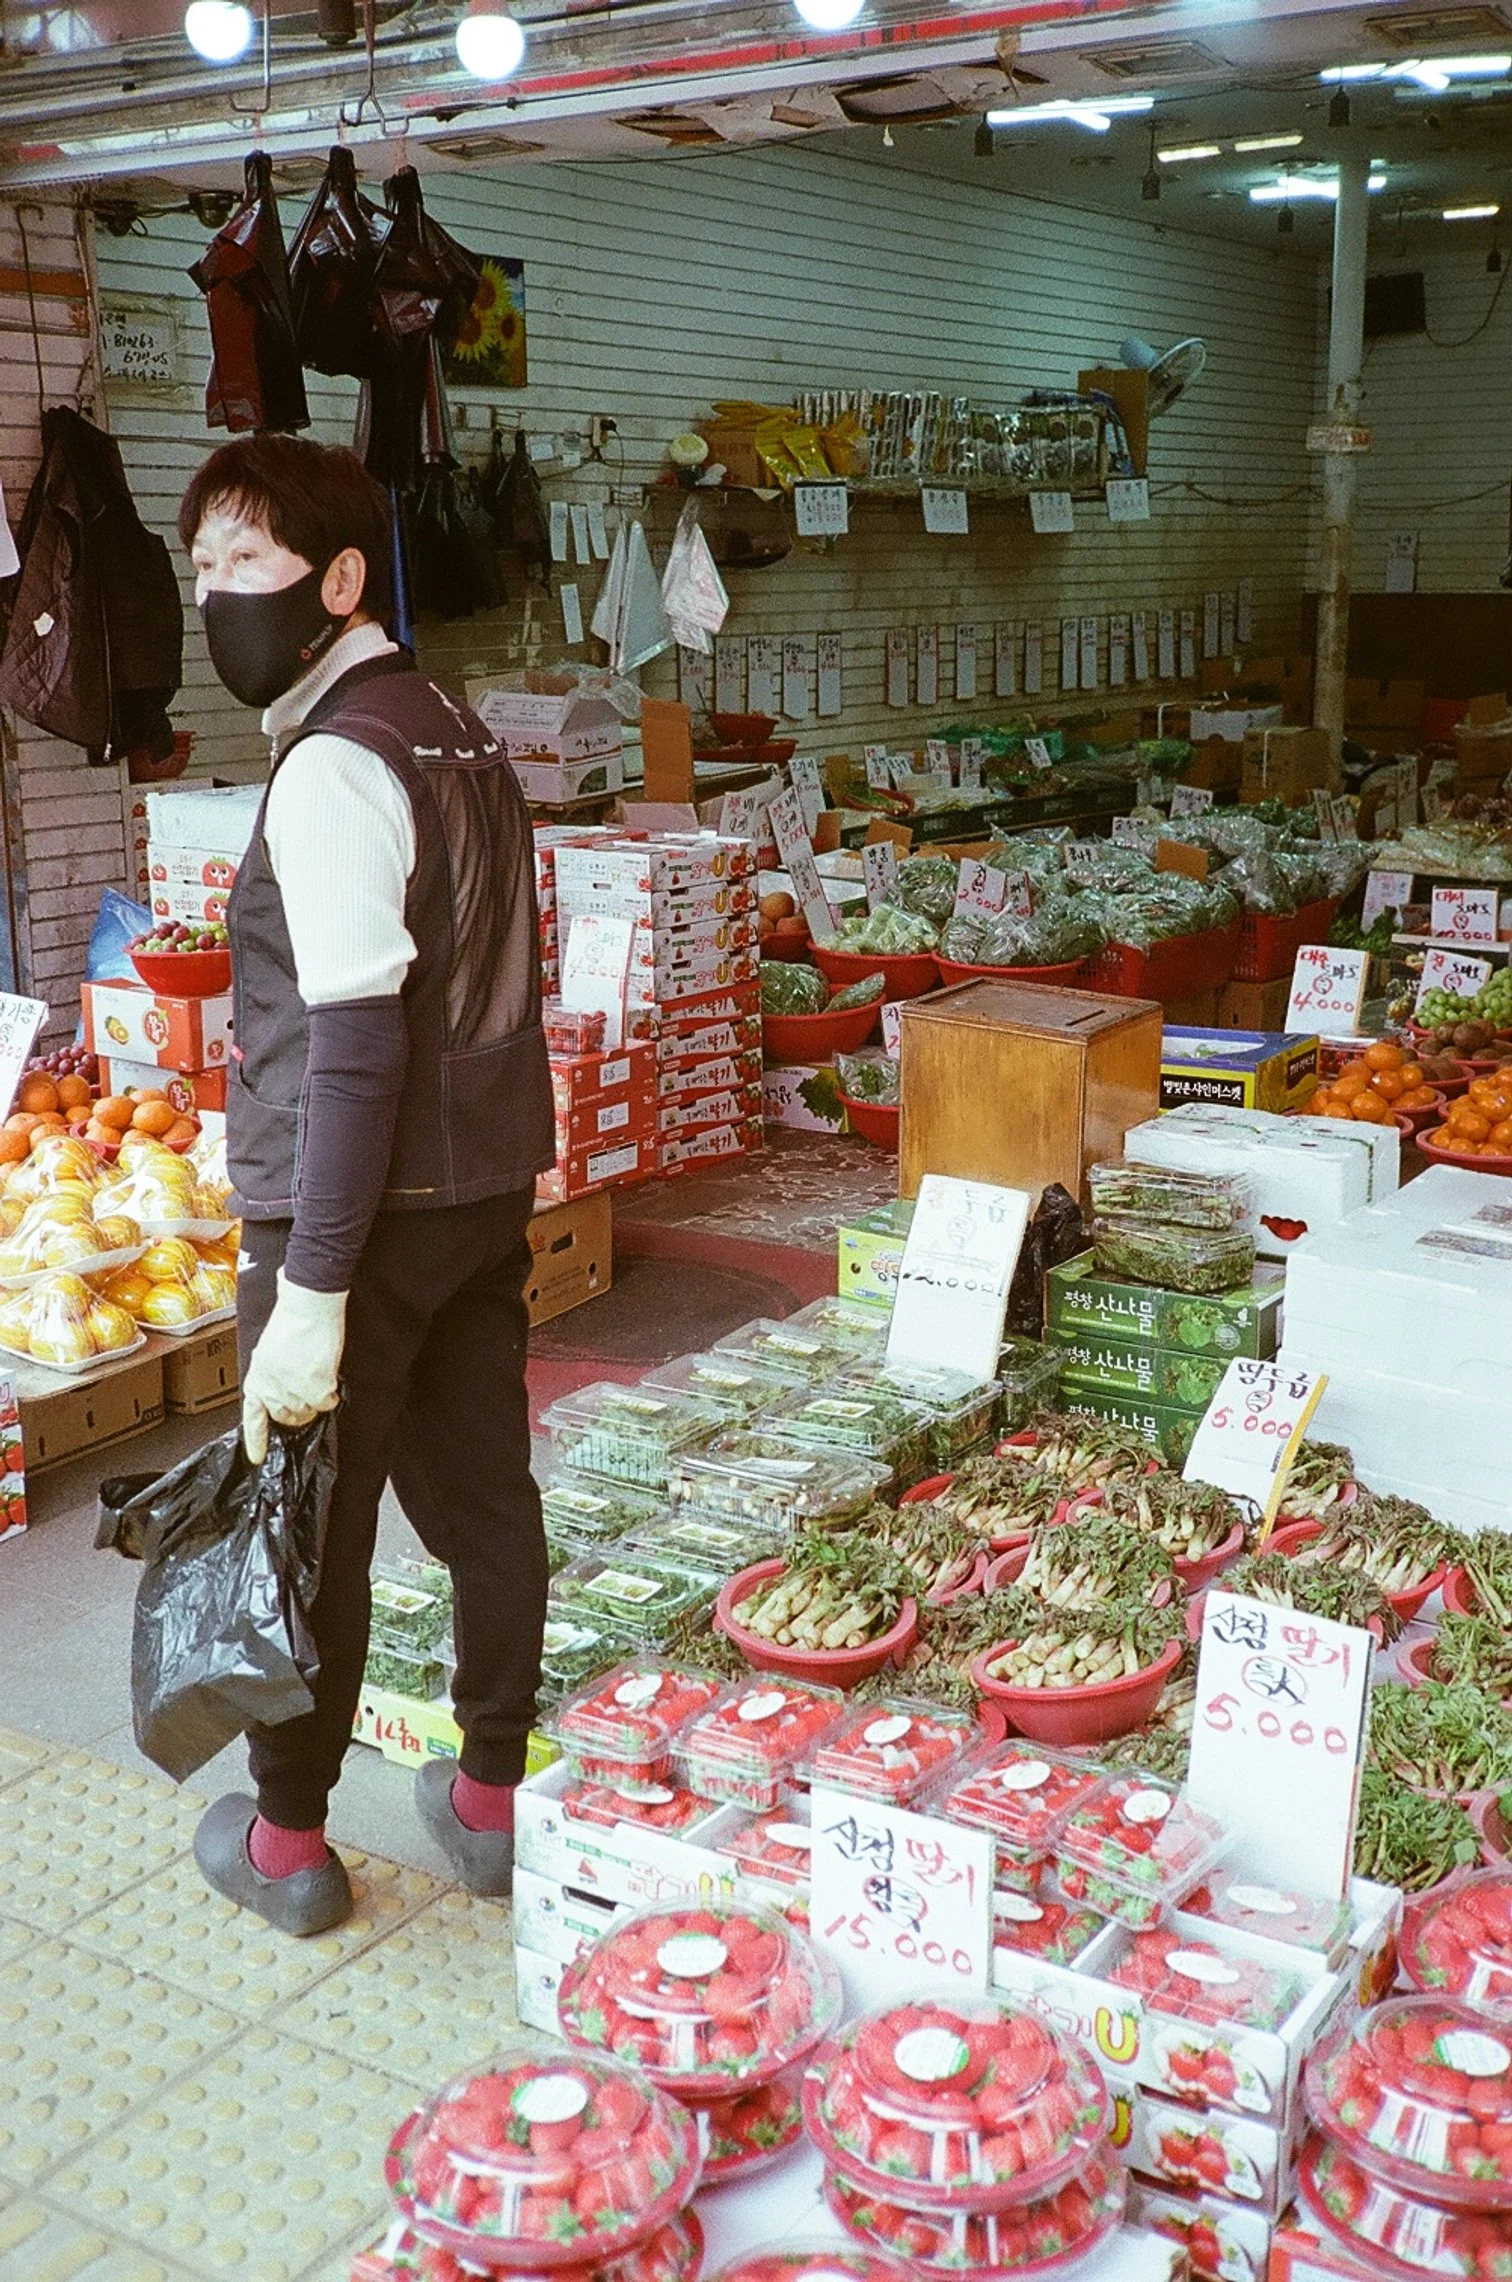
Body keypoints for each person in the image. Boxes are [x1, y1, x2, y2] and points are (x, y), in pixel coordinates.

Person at [178, 432, 555, 1936]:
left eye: (248, 566)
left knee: (310, 1525)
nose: (217, 599)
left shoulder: (336, 761)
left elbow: (350, 1047)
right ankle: (488, 1799)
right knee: (483, 1498)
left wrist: (315, 1289)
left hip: (355, 1210)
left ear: (340, 579)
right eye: (198, 568)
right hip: (478, 1196)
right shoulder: (455, 724)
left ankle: (285, 1845)